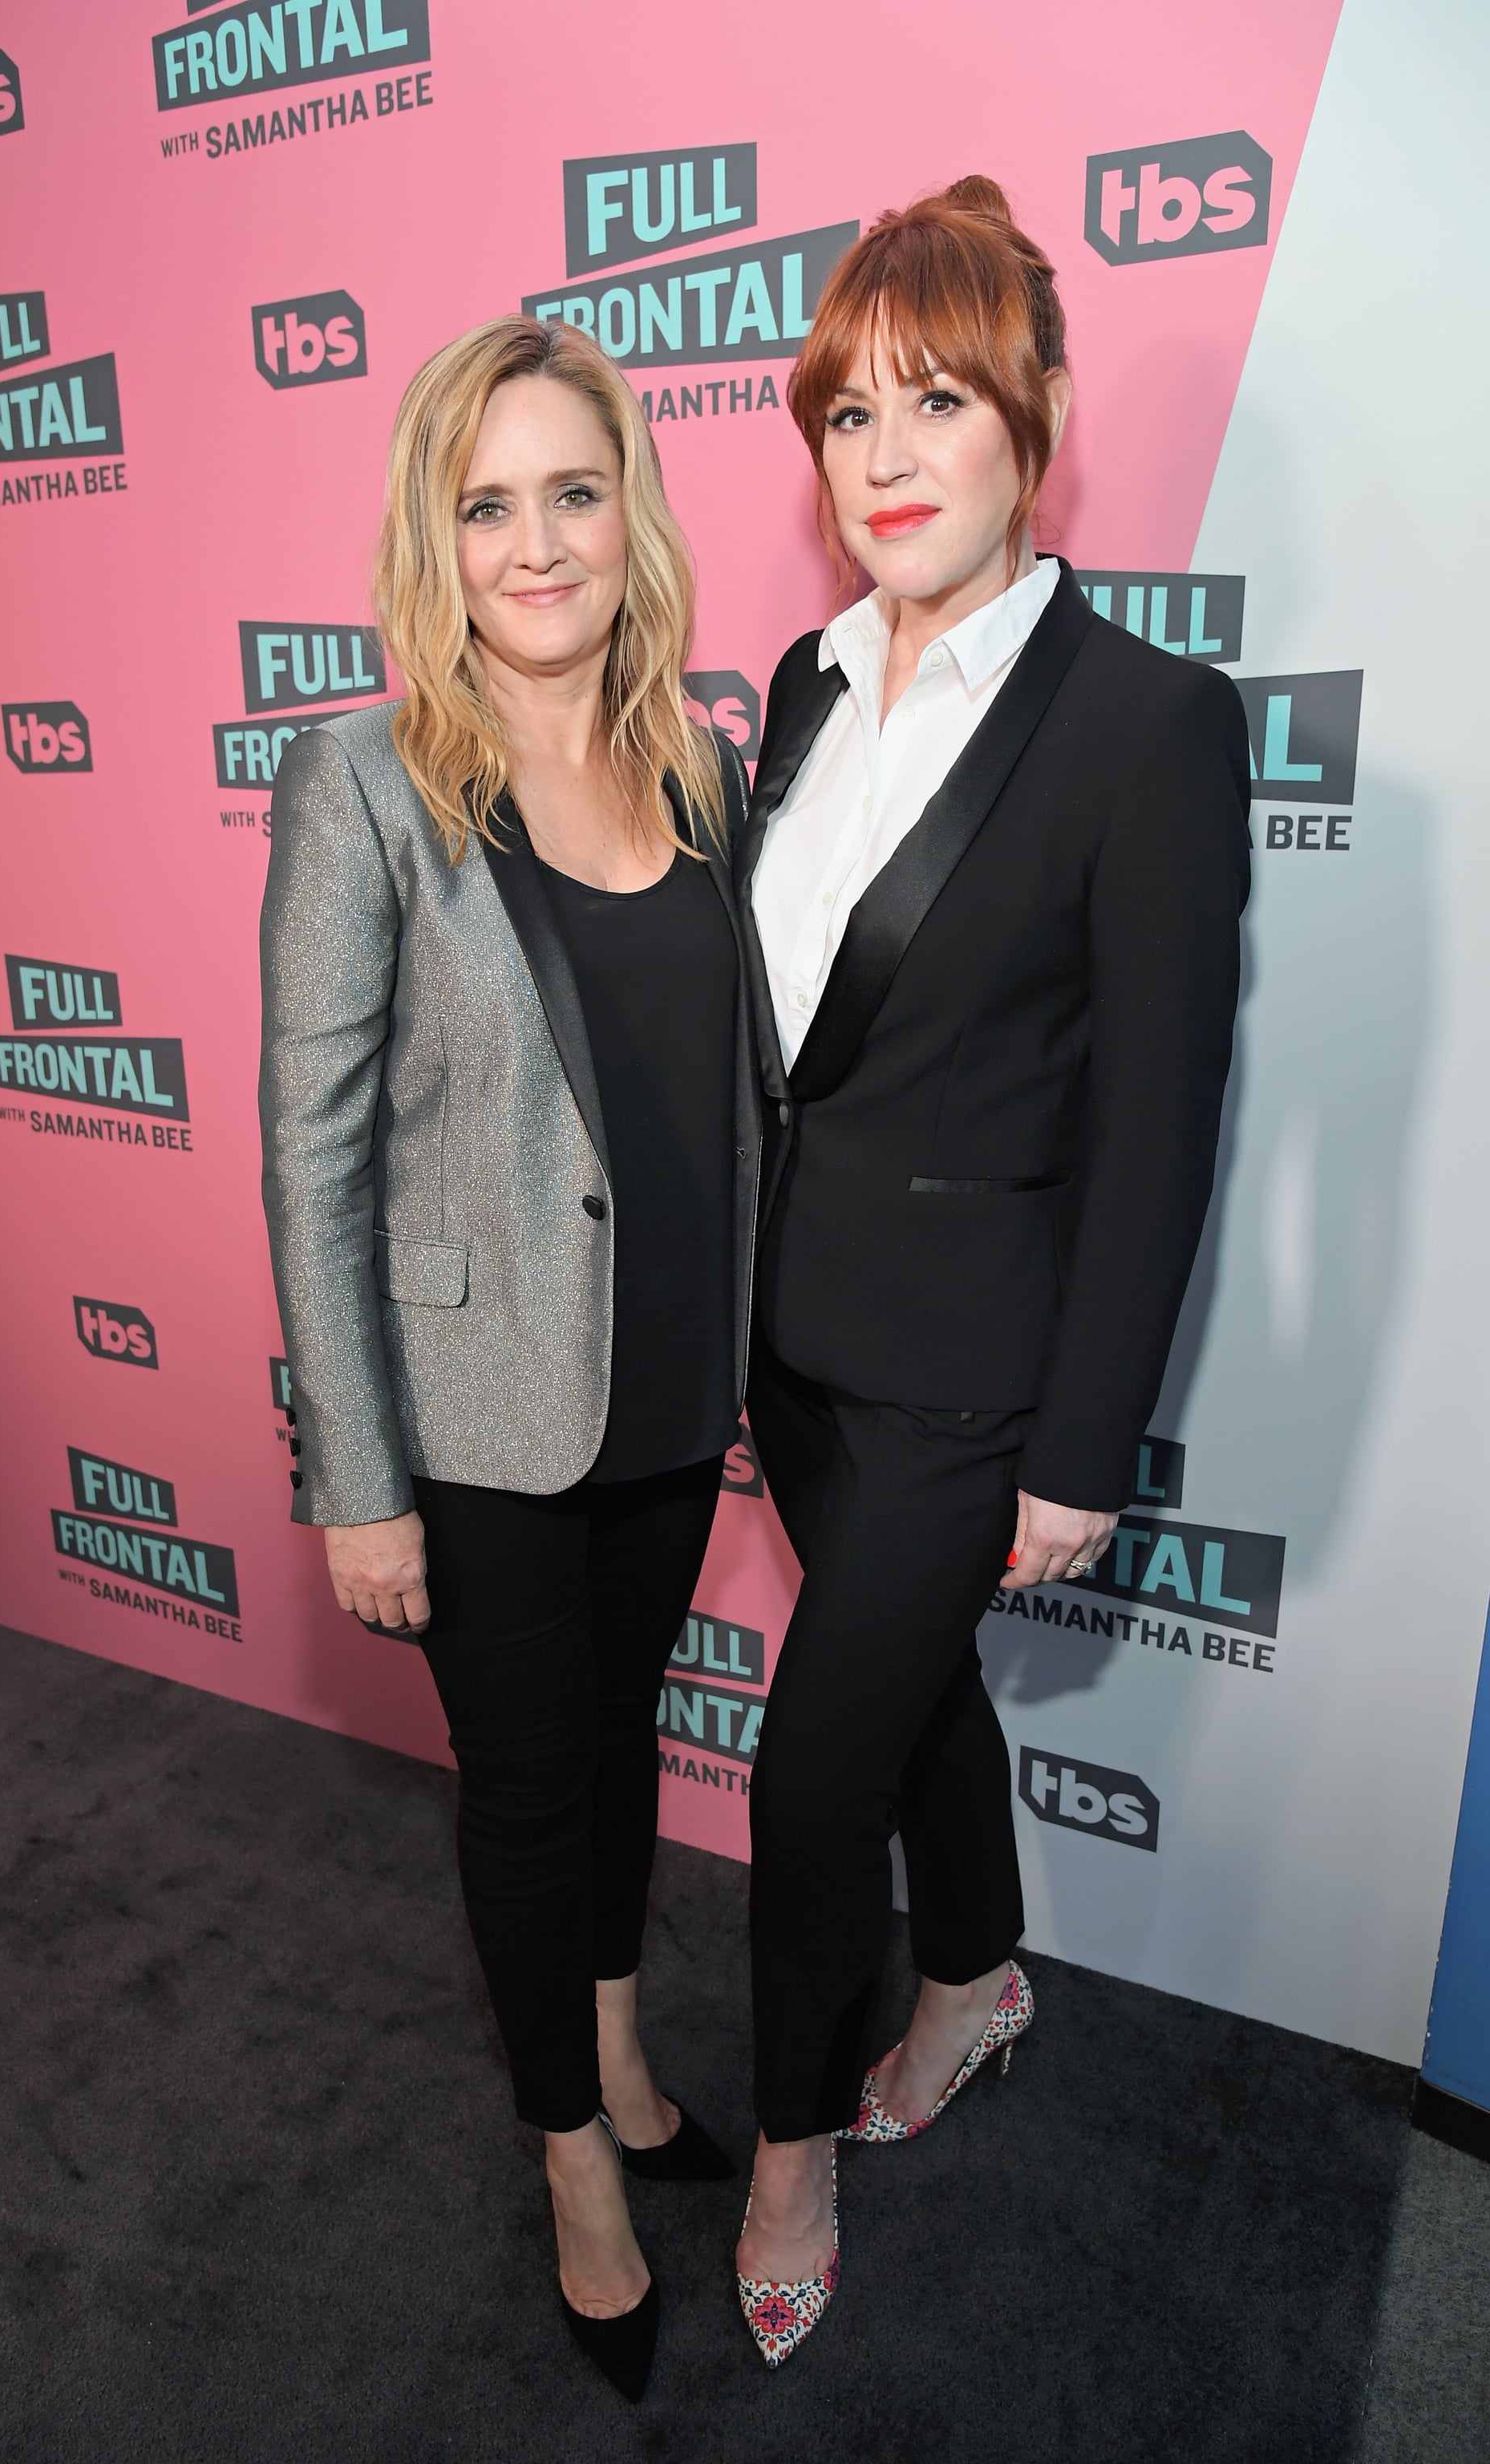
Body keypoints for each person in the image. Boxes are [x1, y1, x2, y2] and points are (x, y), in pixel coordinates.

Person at [730, 179, 1250, 2364]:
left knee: (807, 1770)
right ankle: (980, 1971)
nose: (888, 458)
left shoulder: (1147, 721)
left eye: (935, 401)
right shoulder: (801, 681)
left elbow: (1159, 1119)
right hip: (788, 1345)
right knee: (915, 1688)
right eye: (849, 414)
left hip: (973, 1378)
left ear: (1025, 421)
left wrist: (1081, 1440)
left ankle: (783, 2150)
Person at [258, 315, 760, 2402]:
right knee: (530, 1791)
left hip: (664, 1389)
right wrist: (354, 1473)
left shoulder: (699, 755)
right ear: (432, 538)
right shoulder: (363, 781)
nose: (537, 542)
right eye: (489, 504)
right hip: (471, 1418)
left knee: (622, 1740)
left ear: (624, 510)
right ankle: (571, 2156)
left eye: (571, 491)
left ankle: (628, 2055)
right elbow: (313, 1148)